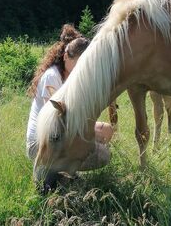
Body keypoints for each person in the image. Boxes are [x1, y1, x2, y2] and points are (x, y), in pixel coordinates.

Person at [26, 24, 113, 161]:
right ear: (66, 56)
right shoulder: (52, 76)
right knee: (102, 156)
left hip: (64, 133)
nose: (82, 68)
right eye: (78, 63)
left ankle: (69, 167)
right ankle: (55, 171)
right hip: (42, 143)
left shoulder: (77, 78)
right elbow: (53, 123)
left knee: (106, 130)